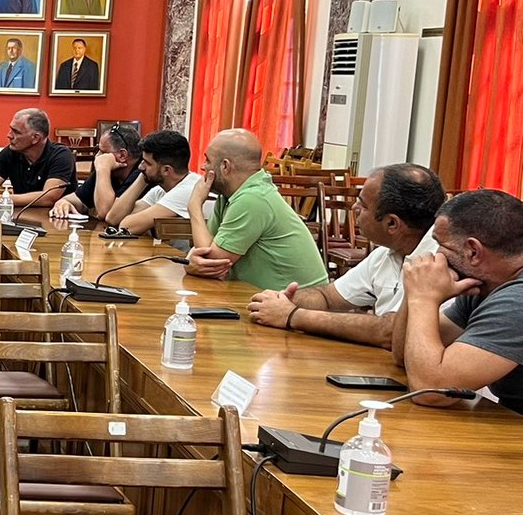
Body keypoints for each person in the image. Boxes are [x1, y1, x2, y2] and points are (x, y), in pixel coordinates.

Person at [249, 164, 443, 348]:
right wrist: (284, 301)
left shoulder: (442, 262)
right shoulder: (385, 254)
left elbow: (392, 332)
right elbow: (328, 297)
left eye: (363, 205)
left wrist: (293, 315)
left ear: (392, 224)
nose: (354, 208)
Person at [394, 189, 523, 412]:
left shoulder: (517, 301)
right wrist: (415, 289)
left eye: (441, 245)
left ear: (473, 251)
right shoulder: (487, 285)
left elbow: (432, 391)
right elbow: (404, 355)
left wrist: (423, 298)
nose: (435, 255)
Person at [186, 128, 327, 292]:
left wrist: (194, 206)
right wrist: (191, 262)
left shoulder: (253, 198)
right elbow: (206, 251)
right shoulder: (229, 195)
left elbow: (210, 261)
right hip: (264, 297)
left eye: (208, 160)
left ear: (225, 166)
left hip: (301, 301)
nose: (203, 167)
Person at [105, 129, 202, 235]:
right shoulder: (161, 190)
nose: (140, 166)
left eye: (147, 163)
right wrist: (143, 178)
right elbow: (113, 218)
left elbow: (126, 227)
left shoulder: (189, 190)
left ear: (166, 170)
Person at [0, 108, 75, 208]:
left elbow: (49, 198)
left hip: (55, 215)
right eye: (11, 129)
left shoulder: (61, 155)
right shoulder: (10, 152)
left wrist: (4, 199)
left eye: (16, 132)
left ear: (35, 138)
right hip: (20, 215)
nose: (9, 135)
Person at [51, 125, 141, 220]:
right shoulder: (111, 171)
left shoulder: (142, 172)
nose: (97, 156)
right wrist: (63, 203)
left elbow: (105, 213)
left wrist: (103, 169)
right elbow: (77, 199)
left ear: (122, 155)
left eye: (102, 152)